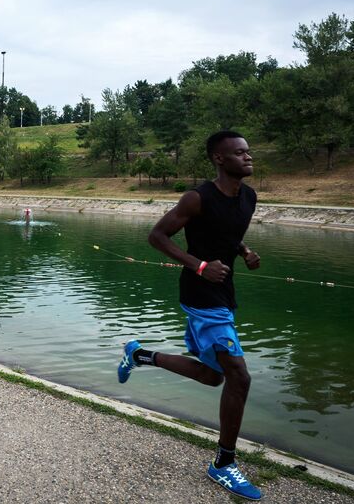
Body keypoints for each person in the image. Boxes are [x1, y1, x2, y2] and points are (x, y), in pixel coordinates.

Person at [118, 130, 263, 501]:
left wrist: (245, 251)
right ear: (218, 158)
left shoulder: (249, 197)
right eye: (239, 153)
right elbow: (157, 236)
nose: (248, 157)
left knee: (214, 377)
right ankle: (224, 464)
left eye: (249, 152)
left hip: (224, 290)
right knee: (239, 377)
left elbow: (228, 234)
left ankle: (139, 355)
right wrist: (199, 266)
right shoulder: (198, 198)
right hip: (201, 292)